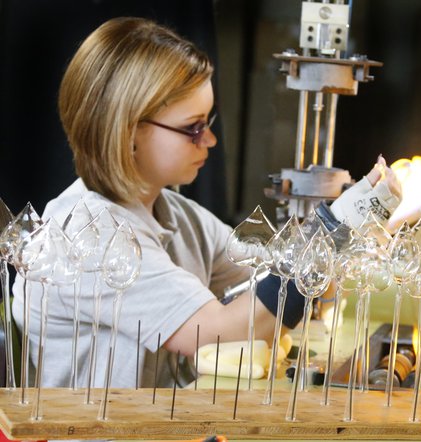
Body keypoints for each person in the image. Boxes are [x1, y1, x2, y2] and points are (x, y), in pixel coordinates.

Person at [12, 17, 401, 389]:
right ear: (128, 131)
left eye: (208, 123)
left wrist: (357, 226)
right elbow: (221, 333)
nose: (210, 141)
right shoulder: (89, 237)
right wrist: (333, 230)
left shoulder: (177, 215)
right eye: (192, 128)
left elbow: (273, 277)